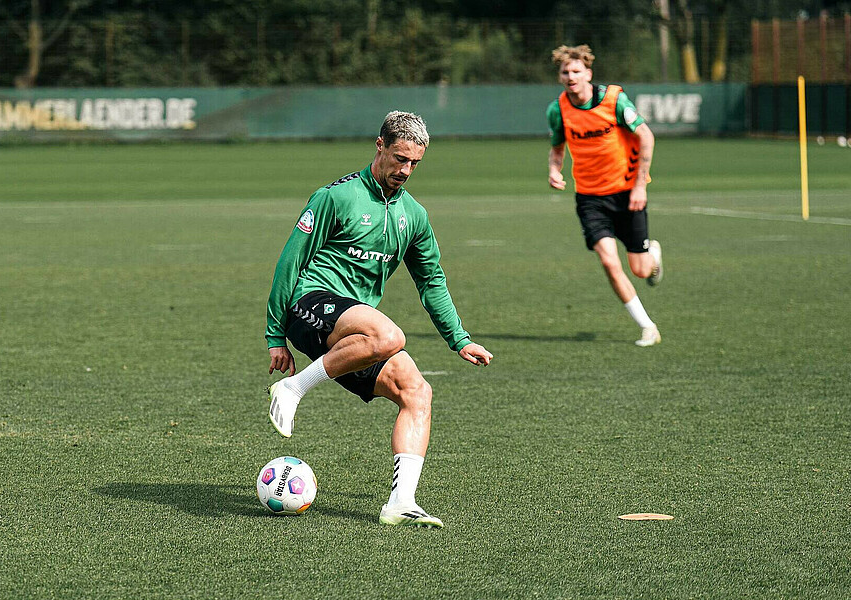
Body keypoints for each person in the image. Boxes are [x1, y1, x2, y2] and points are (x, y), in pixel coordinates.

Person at [265, 111, 493, 529]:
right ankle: (293, 388)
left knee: (417, 391)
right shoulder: (335, 197)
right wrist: (275, 335)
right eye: (399, 158)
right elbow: (289, 261)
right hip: (310, 305)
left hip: (357, 333)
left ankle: (401, 502)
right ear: (380, 146)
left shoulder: (415, 217)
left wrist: (459, 339)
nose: (405, 170)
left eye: (414, 163)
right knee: (389, 334)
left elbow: (432, 281)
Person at [546, 44, 665, 347]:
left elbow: (646, 136)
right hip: (590, 198)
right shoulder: (558, 109)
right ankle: (648, 326)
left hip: (627, 192)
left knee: (640, 269)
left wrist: (640, 186)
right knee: (609, 262)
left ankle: (653, 255)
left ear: (588, 73)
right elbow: (558, 148)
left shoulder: (614, 100)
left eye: (576, 71)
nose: (570, 76)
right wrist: (555, 170)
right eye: (565, 72)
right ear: (560, 76)